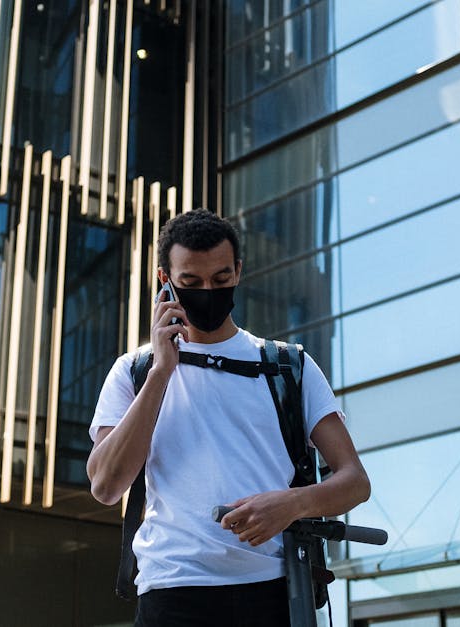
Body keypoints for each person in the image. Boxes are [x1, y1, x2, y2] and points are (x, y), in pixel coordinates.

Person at [87, 209, 371, 626]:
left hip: (273, 593)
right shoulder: (135, 371)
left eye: (221, 280)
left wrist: (291, 505)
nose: (208, 291)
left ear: (238, 270)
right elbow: (106, 485)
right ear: (165, 280)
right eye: (190, 283)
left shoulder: (288, 366)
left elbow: (355, 482)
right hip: (172, 593)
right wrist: (163, 371)